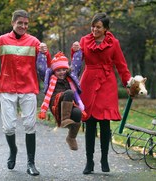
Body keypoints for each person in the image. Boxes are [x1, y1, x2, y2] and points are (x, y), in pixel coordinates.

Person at [0, 9, 51, 176]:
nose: (23, 26)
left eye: (26, 24)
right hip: (7, 87)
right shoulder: (1, 40)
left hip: (29, 88)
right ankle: (13, 150)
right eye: (20, 23)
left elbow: (46, 65)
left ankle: (31, 163)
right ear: (13, 23)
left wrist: (46, 52)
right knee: (9, 127)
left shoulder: (34, 42)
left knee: (30, 125)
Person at [71, 13, 132, 174]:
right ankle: (89, 162)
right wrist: (74, 50)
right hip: (89, 82)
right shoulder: (85, 40)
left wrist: (128, 84)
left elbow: (121, 65)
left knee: (105, 123)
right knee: (89, 122)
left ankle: (104, 159)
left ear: (106, 29)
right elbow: (77, 61)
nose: (94, 29)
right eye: (93, 26)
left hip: (107, 83)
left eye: (98, 27)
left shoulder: (114, 43)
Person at [38, 51, 87, 150]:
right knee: (69, 92)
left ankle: (71, 137)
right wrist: (42, 53)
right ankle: (64, 119)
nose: (61, 72)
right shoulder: (50, 79)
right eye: (58, 70)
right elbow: (41, 68)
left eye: (64, 69)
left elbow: (76, 66)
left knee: (77, 113)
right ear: (54, 71)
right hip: (55, 102)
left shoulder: (70, 79)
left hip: (68, 103)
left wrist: (76, 51)